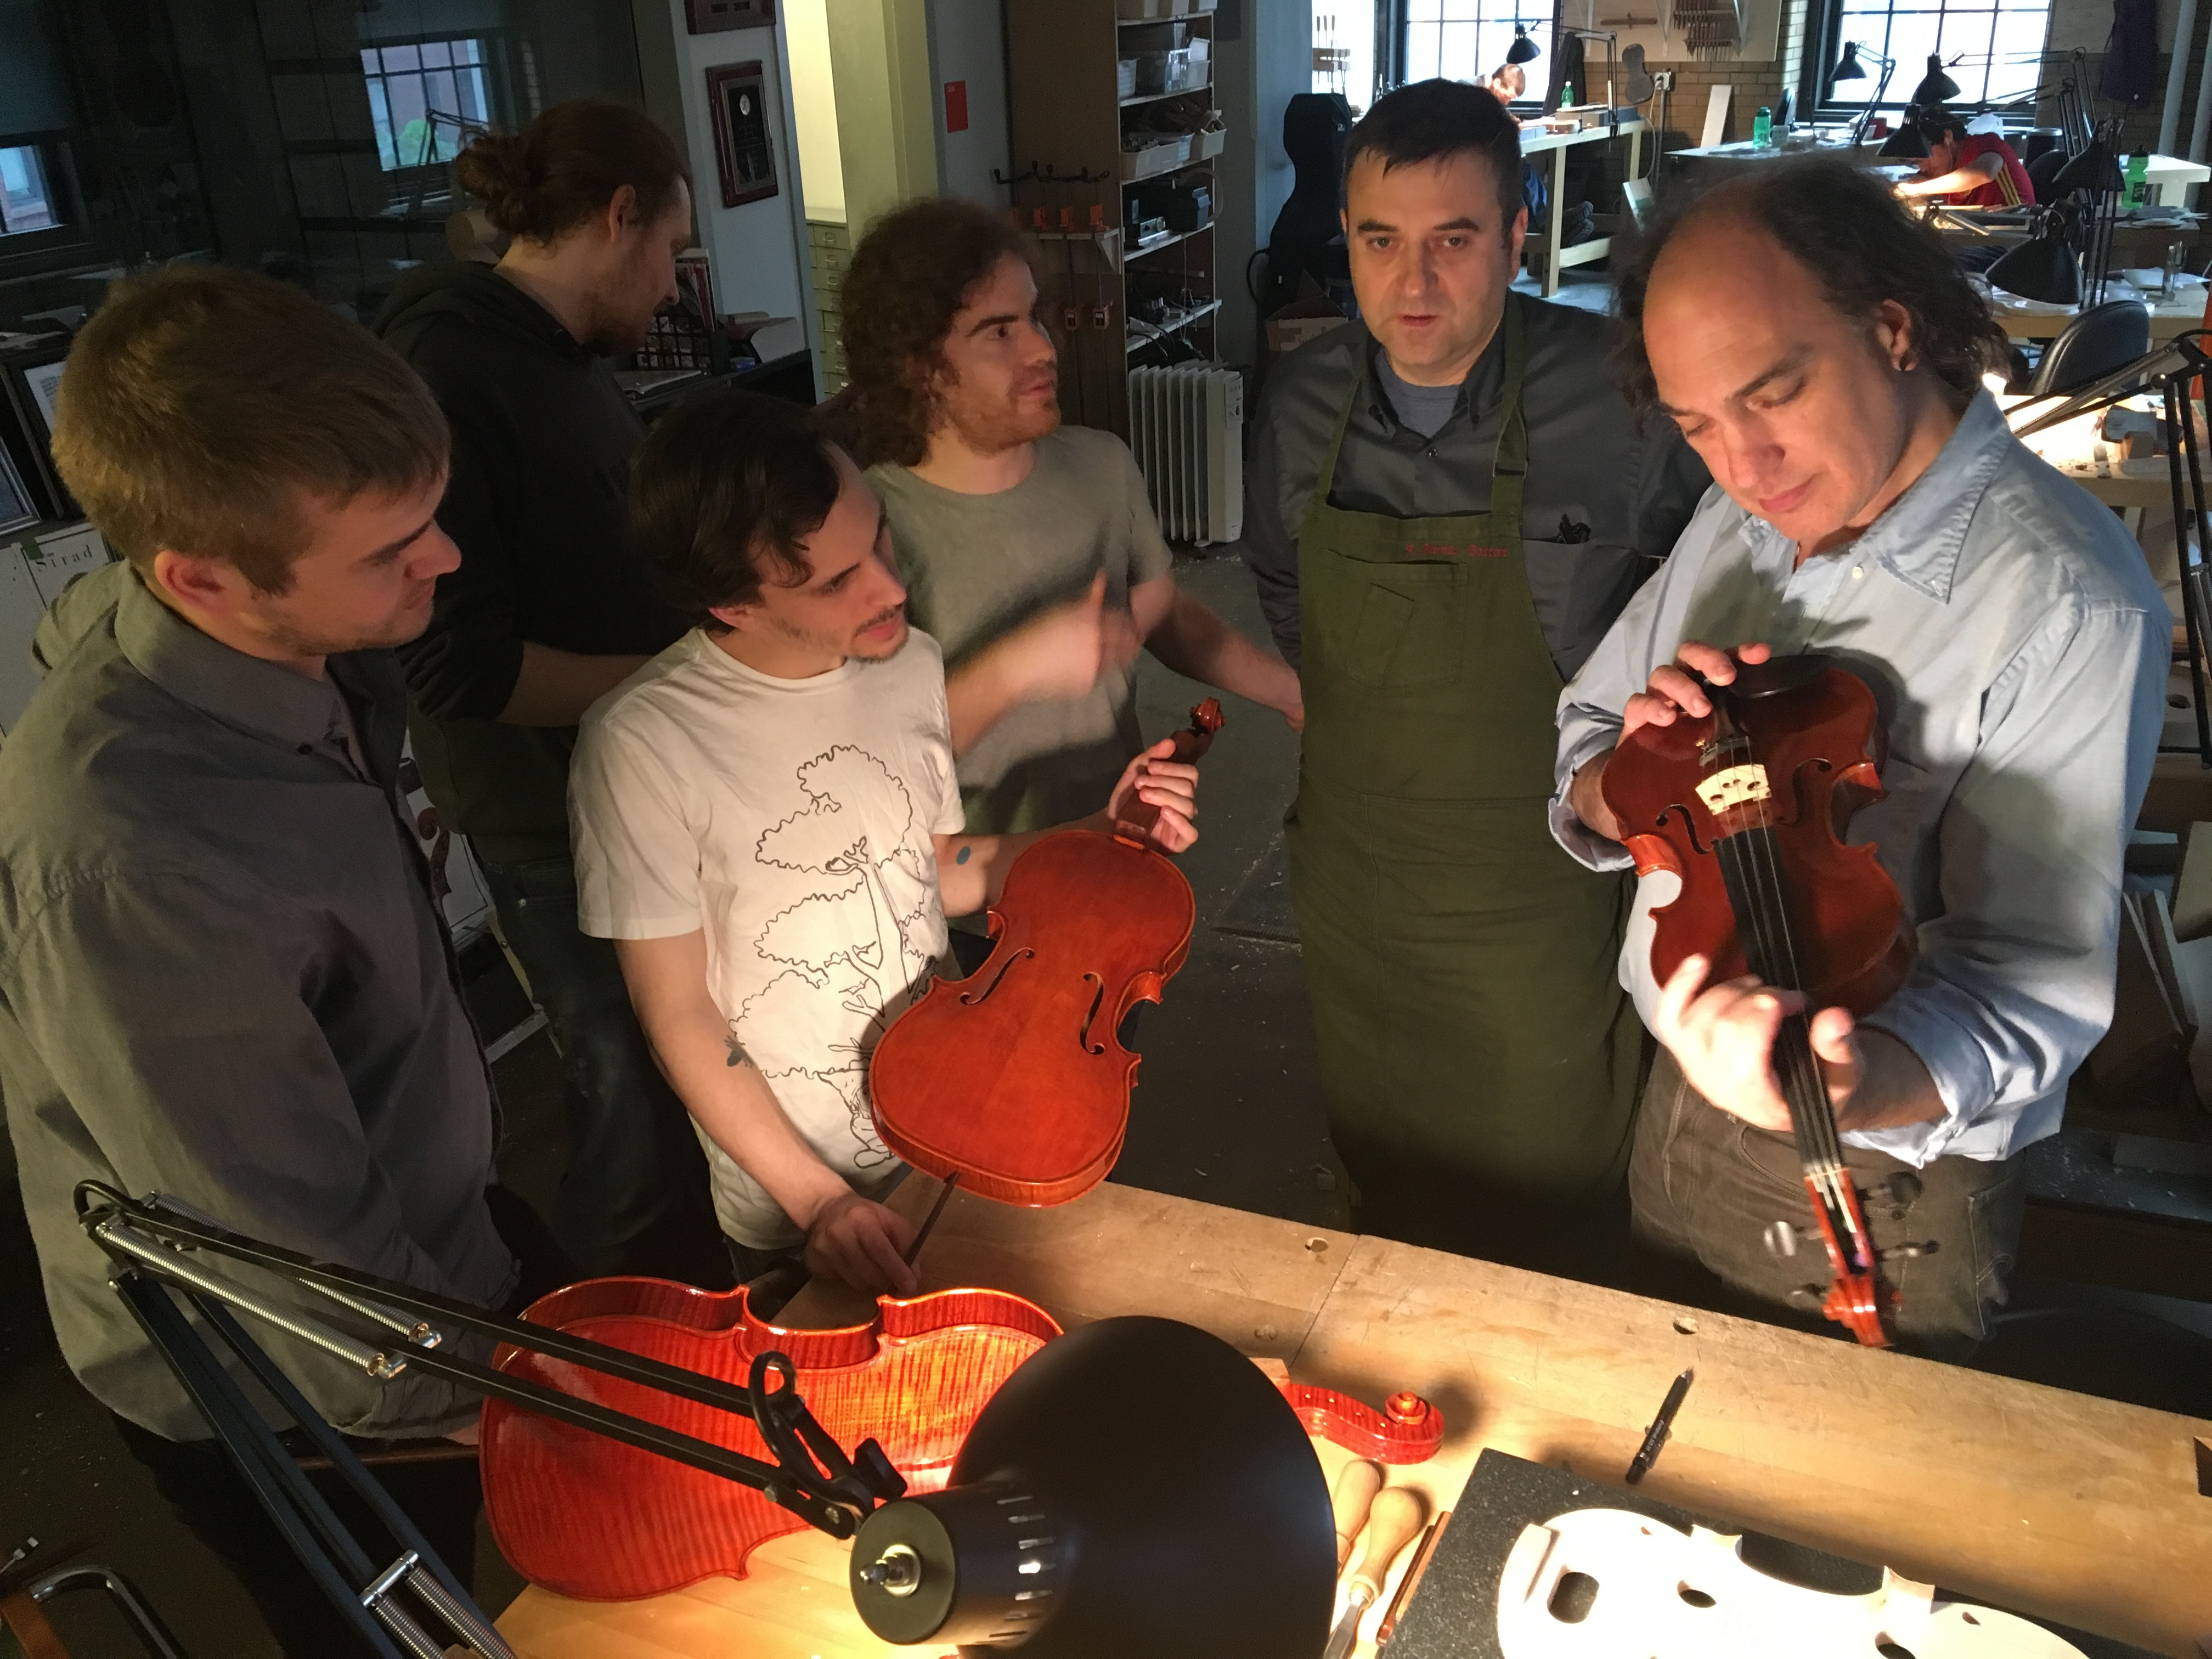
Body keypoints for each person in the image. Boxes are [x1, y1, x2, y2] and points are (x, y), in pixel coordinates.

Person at [0, 266, 568, 1646]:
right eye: (392, 547)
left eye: (430, 520)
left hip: (427, 1240)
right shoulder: (139, 860)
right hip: (297, 1387)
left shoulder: (287, 635)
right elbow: (293, 1275)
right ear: (203, 576)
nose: (443, 561)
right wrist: (538, 1398)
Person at [1554, 160, 2165, 1352]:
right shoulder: (1745, 517)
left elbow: (2030, 983)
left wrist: (1845, 1083)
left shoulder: (2069, 602)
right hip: (1676, 1101)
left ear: (1892, 328)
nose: (1742, 467)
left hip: (1878, 1179)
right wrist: (1632, 780)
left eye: (1773, 395)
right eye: (1697, 427)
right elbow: (1585, 740)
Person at [568, 392, 1199, 1296]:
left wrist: (1103, 835)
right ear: (732, 606)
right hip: (801, 1198)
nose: (890, 588)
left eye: (880, 539)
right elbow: (678, 1012)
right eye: (835, 581)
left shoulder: (902, 662)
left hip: (956, 1119)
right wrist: (816, 1201)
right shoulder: (641, 743)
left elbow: (935, 869)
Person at [1242, 77, 1709, 1275]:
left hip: (1541, 888)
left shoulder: (1624, 402)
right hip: (1361, 878)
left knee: (1551, 1185)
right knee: (1387, 1177)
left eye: (1454, 241)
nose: (1415, 283)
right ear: (1342, 239)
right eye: (1379, 241)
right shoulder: (1299, 407)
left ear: (1516, 234)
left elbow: (1701, 612)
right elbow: (1291, 599)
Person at [374, 100, 727, 1286]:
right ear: (618, 217)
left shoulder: (554, 360)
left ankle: (697, 1332)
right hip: (550, 820)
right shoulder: (451, 363)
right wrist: (685, 683)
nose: (675, 288)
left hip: (631, 792)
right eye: (673, 251)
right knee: (628, 1095)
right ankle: (602, 1386)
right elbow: (459, 664)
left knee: (681, 1077)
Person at [833, 197, 1300, 857]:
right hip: (966, 910)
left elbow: (1164, 614)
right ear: (918, 366)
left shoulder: (1101, 466)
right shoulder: (867, 531)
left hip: (1115, 864)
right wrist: (1017, 668)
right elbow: (862, 762)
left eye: (1034, 319)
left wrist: (1295, 694)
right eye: (999, 332)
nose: (1042, 349)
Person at [1895, 109, 2035, 208]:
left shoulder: (1988, 143)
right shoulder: (1943, 169)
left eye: (1923, 158)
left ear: (1947, 137)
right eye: (1916, 164)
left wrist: (1916, 190)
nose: (1923, 168)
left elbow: (1983, 174)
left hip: (2015, 232)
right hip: (1978, 232)